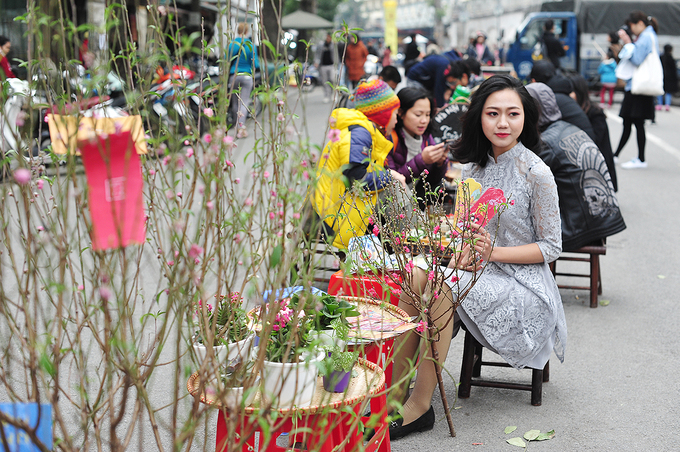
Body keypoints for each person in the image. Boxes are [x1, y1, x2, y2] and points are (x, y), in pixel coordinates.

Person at [389, 75, 567, 440]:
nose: (503, 123)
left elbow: (551, 247)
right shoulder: (475, 167)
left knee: (439, 290)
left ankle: (420, 406)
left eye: (512, 114)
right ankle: (392, 395)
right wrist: (458, 250)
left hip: (524, 284)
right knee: (414, 276)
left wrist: (493, 253)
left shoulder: (537, 173)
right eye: (493, 113)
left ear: (526, 118)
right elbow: (469, 228)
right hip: (479, 270)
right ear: (479, 119)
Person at [526, 82, 626, 250]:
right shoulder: (568, 128)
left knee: (515, 229)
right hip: (604, 219)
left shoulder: (547, 142)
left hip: (580, 228)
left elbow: (525, 183)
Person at [310, 79, 405, 249]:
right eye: (395, 114)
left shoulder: (364, 131)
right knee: (394, 190)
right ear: (383, 114)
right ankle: (409, 242)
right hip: (333, 214)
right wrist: (390, 176)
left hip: (338, 207)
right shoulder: (360, 134)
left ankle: (406, 243)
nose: (397, 120)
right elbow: (358, 180)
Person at [385, 87, 448, 209]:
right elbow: (392, 182)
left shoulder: (427, 137)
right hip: (396, 208)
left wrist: (439, 163)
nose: (424, 120)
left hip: (418, 204)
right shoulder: (389, 138)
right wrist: (422, 161)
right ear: (401, 113)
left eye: (428, 114)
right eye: (418, 115)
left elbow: (432, 183)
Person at [614, 11, 659, 169]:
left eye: (632, 27)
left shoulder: (646, 37)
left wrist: (627, 43)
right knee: (630, 122)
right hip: (636, 87)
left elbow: (637, 59)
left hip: (637, 87)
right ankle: (618, 155)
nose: (632, 30)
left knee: (635, 123)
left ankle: (639, 159)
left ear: (639, 23)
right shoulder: (649, 35)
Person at [568, 73, 619, 191]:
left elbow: (596, 141)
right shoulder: (569, 111)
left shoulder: (594, 113)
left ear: (579, 91)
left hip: (598, 169)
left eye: (570, 92)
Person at [530, 60, 595, 140]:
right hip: (584, 142)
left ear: (534, 81)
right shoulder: (560, 92)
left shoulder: (550, 99)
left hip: (578, 142)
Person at [227, 23, 260, 139]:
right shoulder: (250, 44)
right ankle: (241, 128)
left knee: (235, 103)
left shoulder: (232, 44)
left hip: (234, 75)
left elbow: (227, 60)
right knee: (244, 102)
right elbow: (255, 63)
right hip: (246, 76)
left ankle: (238, 127)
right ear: (247, 32)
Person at [315, 33, 339, 104]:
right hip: (323, 65)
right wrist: (316, 62)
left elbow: (336, 55)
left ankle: (333, 94)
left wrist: (336, 63)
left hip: (331, 65)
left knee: (332, 80)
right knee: (324, 81)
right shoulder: (321, 45)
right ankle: (326, 95)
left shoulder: (334, 45)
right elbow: (317, 54)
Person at [658, 44, 677, 111]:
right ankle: (667, 105)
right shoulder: (671, 58)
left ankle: (659, 104)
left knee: (660, 91)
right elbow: (674, 70)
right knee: (668, 92)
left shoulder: (661, 57)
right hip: (669, 78)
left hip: (661, 76)